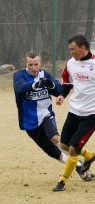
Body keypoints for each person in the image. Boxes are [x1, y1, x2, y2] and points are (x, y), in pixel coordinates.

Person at [13, 50, 93, 182]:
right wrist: (35, 84)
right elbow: (20, 87)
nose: (33, 67)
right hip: (29, 120)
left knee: (55, 138)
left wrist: (52, 85)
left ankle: (78, 160)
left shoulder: (45, 74)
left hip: (45, 114)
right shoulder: (19, 75)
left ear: (40, 63)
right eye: (30, 65)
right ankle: (78, 165)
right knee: (51, 151)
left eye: (36, 64)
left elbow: (59, 91)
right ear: (26, 64)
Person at [53, 34, 95, 192]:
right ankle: (89, 155)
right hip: (74, 111)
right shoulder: (70, 63)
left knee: (73, 149)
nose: (70, 52)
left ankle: (62, 181)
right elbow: (67, 83)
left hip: (91, 115)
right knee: (64, 144)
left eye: (73, 49)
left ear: (82, 48)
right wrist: (61, 95)